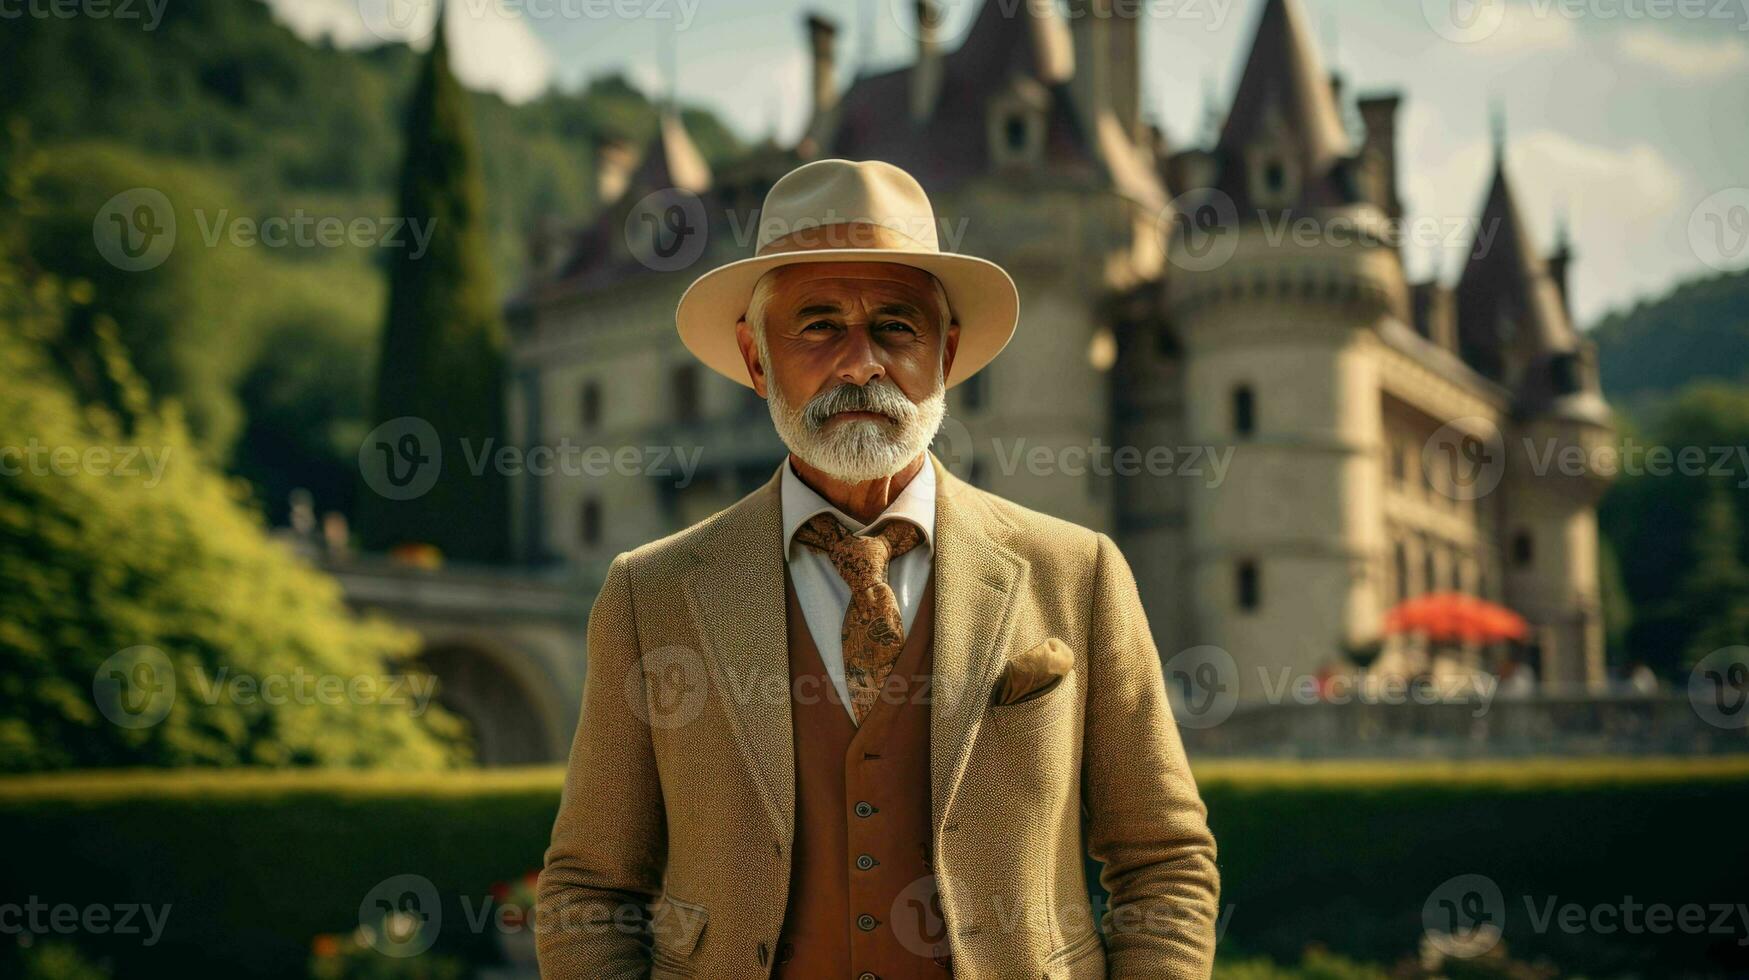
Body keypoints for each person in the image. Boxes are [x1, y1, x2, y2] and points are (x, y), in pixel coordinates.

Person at [537, 159, 1219, 979]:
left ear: (947, 353)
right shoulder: (651, 594)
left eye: (896, 327)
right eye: (818, 326)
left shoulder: (1076, 574)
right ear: (756, 360)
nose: (861, 363)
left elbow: (1164, 860)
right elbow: (589, 887)